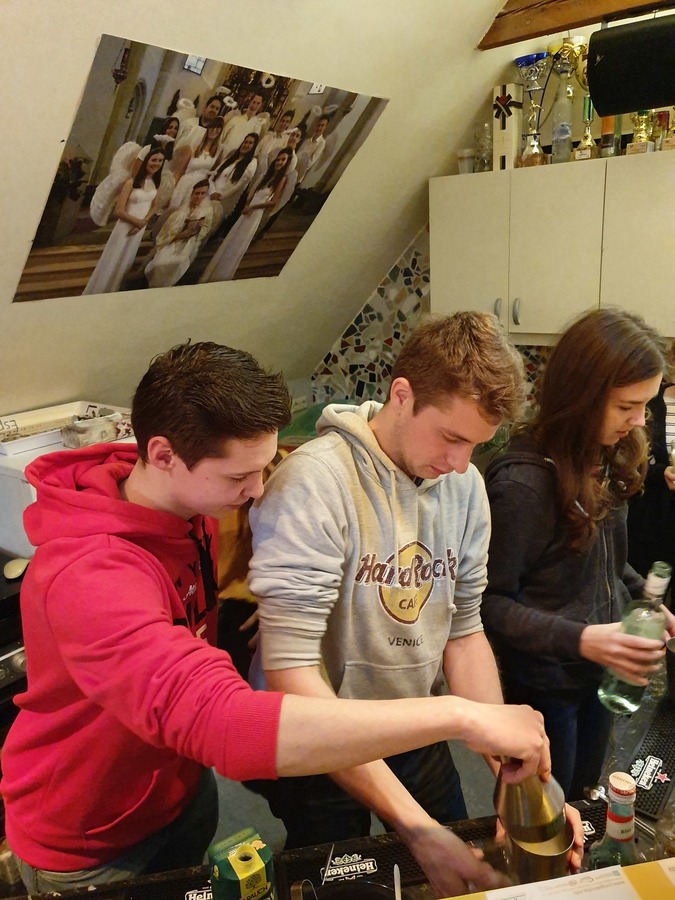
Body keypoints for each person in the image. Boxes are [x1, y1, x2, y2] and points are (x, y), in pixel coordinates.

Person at [1, 339, 554, 897]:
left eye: (262, 468)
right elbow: (223, 722)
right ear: (163, 455)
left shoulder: (187, 507)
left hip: (176, 795)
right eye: (239, 477)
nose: (259, 491)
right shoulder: (89, 573)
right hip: (92, 836)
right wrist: (459, 715)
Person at [247, 312, 584, 898]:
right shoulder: (313, 484)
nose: (461, 463)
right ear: (401, 395)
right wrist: (416, 829)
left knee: (462, 859)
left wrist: (512, 773)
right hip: (317, 736)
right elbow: (290, 674)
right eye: (451, 438)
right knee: (343, 881)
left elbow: (463, 631)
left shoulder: (465, 486)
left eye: (475, 445)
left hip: (416, 722)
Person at [481, 308, 675, 802]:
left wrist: (644, 595)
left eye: (646, 405)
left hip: (595, 673)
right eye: (627, 406)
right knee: (545, 807)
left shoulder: (604, 454)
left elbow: (603, 558)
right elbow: (489, 604)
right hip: (545, 684)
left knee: (584, 794)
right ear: (581, 396)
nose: (639, 421)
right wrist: (583, 639)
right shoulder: (524, 484)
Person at [199, 147, 291, 283]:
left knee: (238, 243)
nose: (279, 162)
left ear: (287, 162)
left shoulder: (282, 179)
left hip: (255, 213)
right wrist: (247, 204)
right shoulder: (268, 176)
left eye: (283, 160)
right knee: (231, 239)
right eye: (278, 159)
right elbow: (254, 193)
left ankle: (222, 276)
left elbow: (273, 202)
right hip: (247, 210)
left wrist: (252, 207)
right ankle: (212, 273)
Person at [82, 147, 164, 295]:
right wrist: (137, 222)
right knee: (113, 259)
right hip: (125, 227)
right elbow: (118, 211)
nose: (156, 163)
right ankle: (100, 290)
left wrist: (143, 222)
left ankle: (114, 290)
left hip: (138, 229)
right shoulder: (130, 183)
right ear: (146, 161)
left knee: (126, 260)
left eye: (160, 161)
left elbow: (154, 206)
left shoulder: (155, 183)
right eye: (153, 160)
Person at [627, 338, 675, 577]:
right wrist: (661, 472)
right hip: (651, 517)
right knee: (646, 584)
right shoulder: (649, 402)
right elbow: (629, 460)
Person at [143, 179, 212, 288]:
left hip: (189, 243)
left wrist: (198, 227)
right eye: (197, 193)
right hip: (173, 241)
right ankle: (155, 286)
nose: (199, 197)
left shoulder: (207, 211)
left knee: (178, 262)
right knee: (159, 263)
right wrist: (179, 235)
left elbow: (204, 233)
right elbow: (166, 232)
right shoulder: (181, 211)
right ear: (192, 194)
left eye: (203, 193)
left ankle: (166, 286)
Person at [205, 132, 259, 240]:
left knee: (208, 228)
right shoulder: (231, 158)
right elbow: (213, 175)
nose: (246, 145)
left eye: (250, 143)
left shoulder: (252, 162)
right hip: (210, 194)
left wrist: (221, 196)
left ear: (254, 146)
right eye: (245, 142)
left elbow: (240, 185)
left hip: (224, 200)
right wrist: (213, 192)